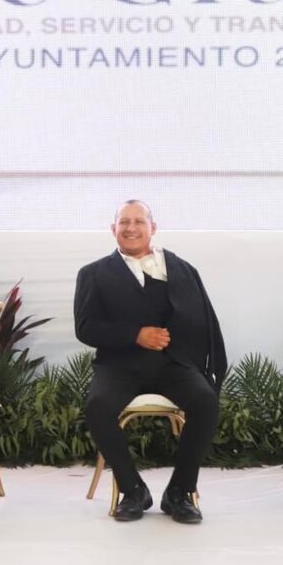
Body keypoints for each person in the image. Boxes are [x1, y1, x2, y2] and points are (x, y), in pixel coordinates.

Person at [74, 200, 227, 524]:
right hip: (119, 366)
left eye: (139, 221)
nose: (131, 228)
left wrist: (192, 357)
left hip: (173, 364)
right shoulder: (93, 273)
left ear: (152, 228)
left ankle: (179, 493)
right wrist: (135, 334)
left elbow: (202, 319)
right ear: (113, 228)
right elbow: (85, 328)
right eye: (124, 222)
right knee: (98, 406)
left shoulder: (182, 269)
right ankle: (133, 490)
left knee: (205, 401)